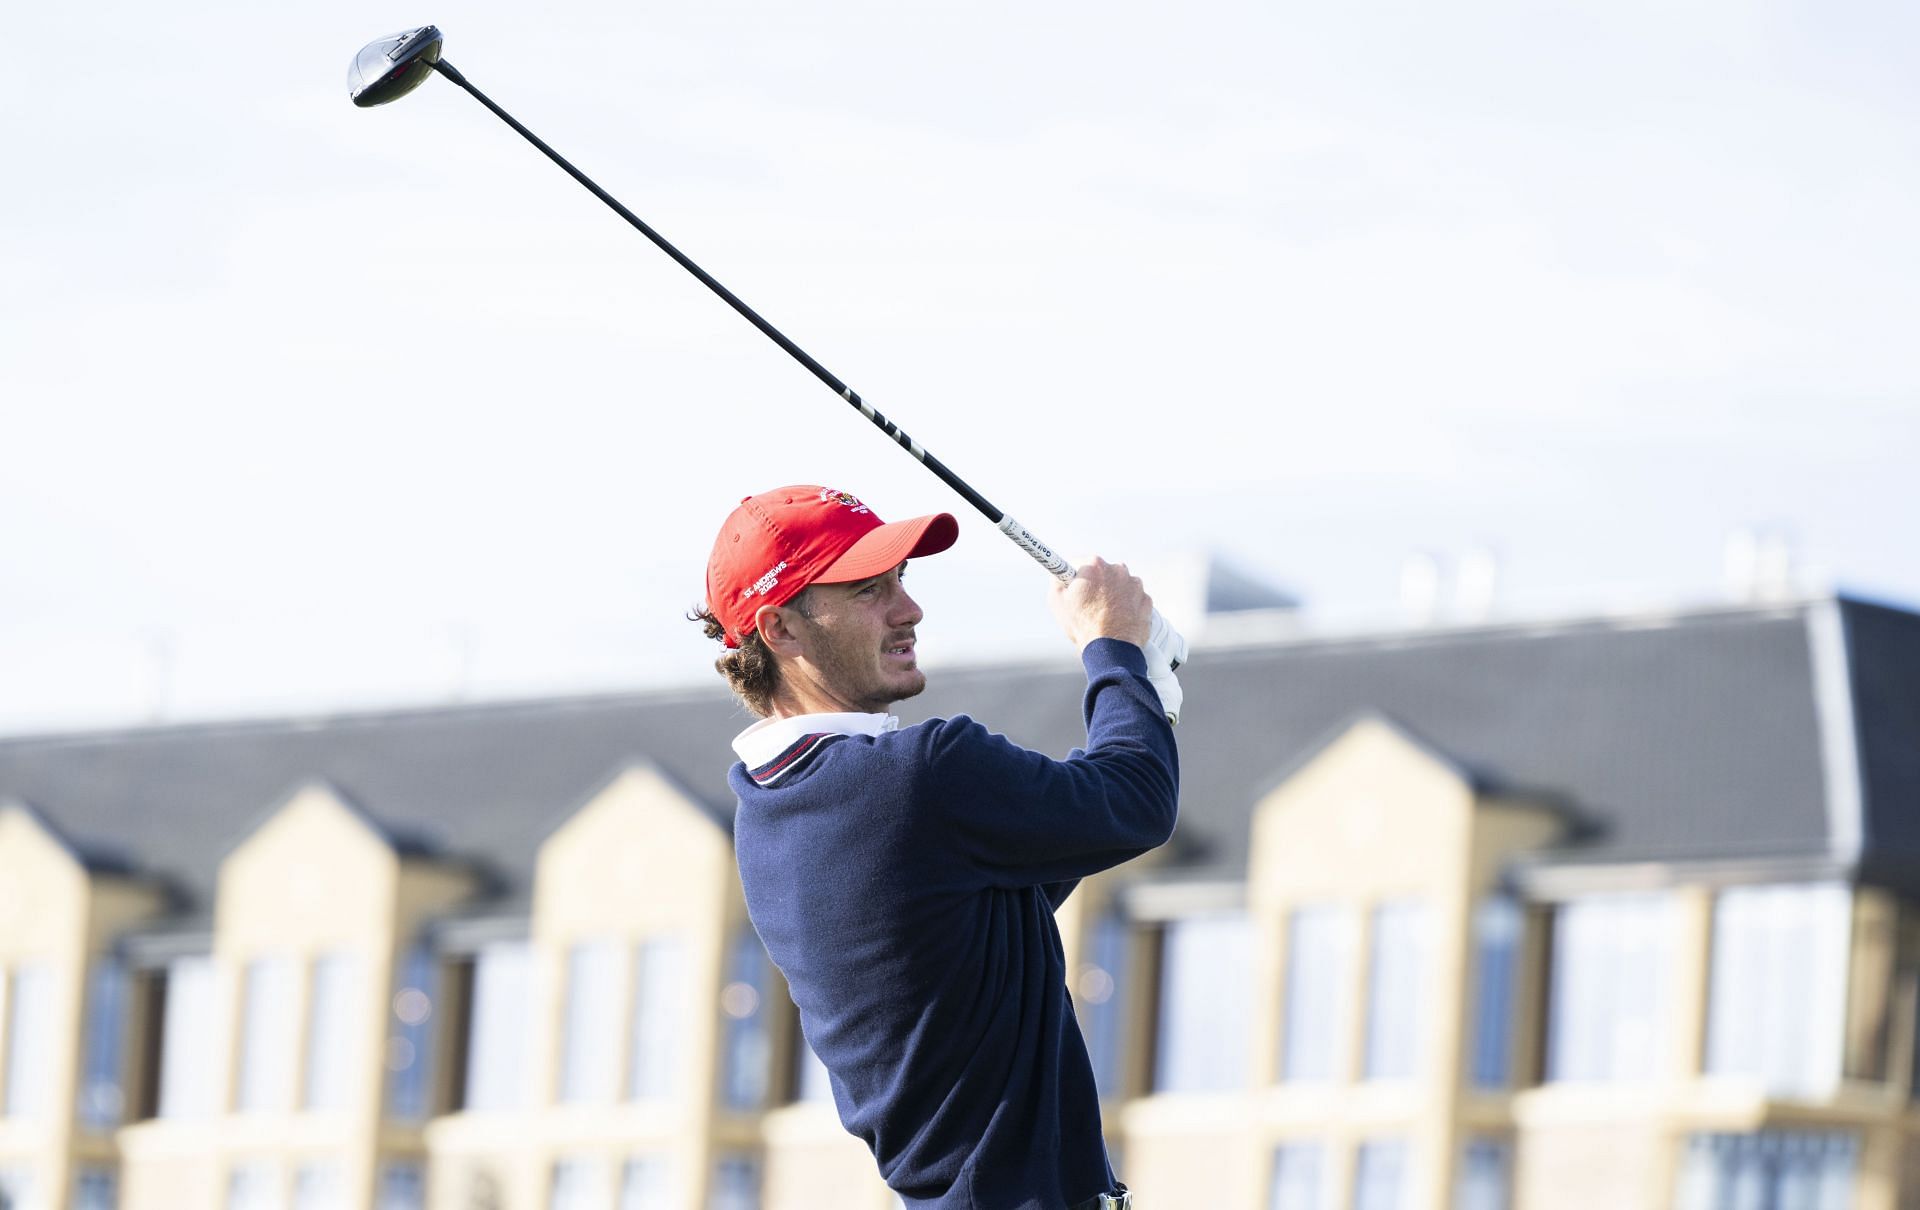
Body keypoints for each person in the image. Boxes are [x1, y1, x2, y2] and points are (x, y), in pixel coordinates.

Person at [692, 484, 1179, 1210]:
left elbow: (1043, 868)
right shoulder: (919, 776)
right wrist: (1114, 650)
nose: (908, 609)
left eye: (900, 582)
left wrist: (1145, 690)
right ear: (781, 630)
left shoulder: (767, 814)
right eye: (867, 591)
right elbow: (1135, 804)